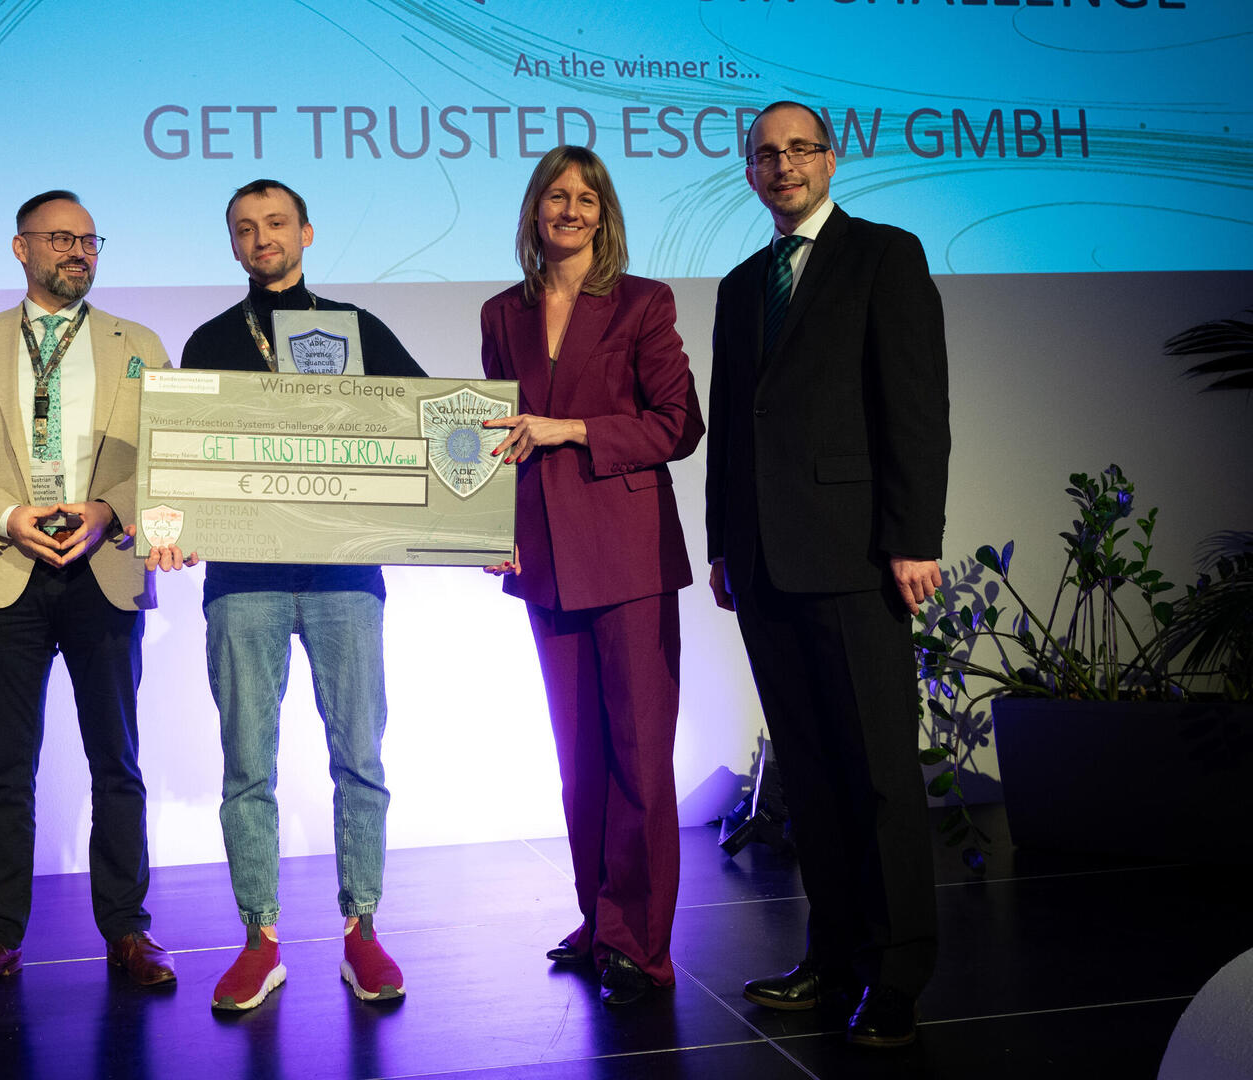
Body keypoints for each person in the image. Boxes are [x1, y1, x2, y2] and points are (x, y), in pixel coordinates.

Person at [705, 101, 950, 1048]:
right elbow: (734, 427)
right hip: (765, 563)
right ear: (750, 171)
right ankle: (834, 955)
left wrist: (912, 537)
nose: (784, 165)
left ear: (831, 159)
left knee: (880, 777)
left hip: (855, 557)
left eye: (800, 148)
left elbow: (915, 405)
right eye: (766, 154)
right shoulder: (740, 285)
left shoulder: (885, 255)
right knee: (809, 777)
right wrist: (723, 542)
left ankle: (896, 977)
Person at [152, 179, 424, 1011]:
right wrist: (171, 523)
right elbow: (181, 456)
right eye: (245, 227)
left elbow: (423, 423)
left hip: (344, 576)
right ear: (233, 243)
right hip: (244, 580)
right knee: (247, 764)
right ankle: (259, 940)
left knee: (360, 756)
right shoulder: (208, 340)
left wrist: (481, 525)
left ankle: (362, 930)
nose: (261, 237)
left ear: (305, 232)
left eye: (275, 223)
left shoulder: (355, 330)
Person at [0, 190, 175, 1001]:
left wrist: (109, 512)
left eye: (89, 240)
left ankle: (127, 928)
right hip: (7, 571)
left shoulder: (140, 344)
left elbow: (169, 455)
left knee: (117, 763)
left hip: (104, 571)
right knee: (7, 772)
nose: (77, 252)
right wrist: (6, 516)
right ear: (21, 248)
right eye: (60, 238)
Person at [476, 146, 704, 1007]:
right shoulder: (502, 312)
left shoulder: (644, 302)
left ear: (604, 214)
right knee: (579, 760)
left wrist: (570, 428)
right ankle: (598, 920)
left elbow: (678, 424)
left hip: (629, 553)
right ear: (534, 210)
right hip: (543, 558)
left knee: (639, 757)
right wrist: (487, 529)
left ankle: (641, 946)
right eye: (555, 196)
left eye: (586, 198)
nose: (569, 210)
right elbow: (496, 437)